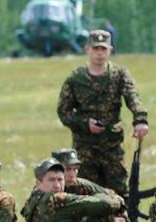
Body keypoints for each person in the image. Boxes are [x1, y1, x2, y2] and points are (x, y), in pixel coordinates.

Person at [57, 29, 149, 200]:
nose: (99, 53)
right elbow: (64, 112)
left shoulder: (119, 75)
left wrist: (140, 119)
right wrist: (85, 123)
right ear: (87, 49)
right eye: (96, 49)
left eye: (103, 49)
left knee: (120, 194)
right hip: (85, 148)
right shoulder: (76, 79)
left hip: (111, 146)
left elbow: (132, 97)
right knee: (84, 195)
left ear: (110, 50)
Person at [51, 148, 122, 222]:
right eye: (67, 169)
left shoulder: (81, 185)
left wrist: (120, 220)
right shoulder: (49, 189)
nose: (72, 174)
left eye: (75, 169)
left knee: (107, 216)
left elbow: (112, 196)